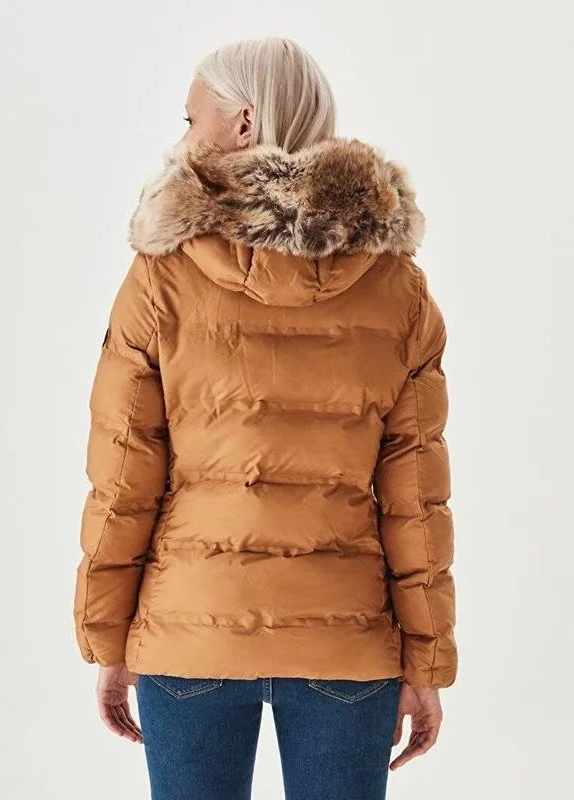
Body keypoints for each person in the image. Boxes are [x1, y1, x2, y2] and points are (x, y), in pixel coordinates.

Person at [73, 36, 458, 800]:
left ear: (243, 122)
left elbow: (122, 479)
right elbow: (415, 502)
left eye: (192, 119)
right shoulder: (398, 288)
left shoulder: (160, 277)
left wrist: (108, 638)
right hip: (346, 644)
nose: (183, 138)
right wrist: (425, 661)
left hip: (190, 634)